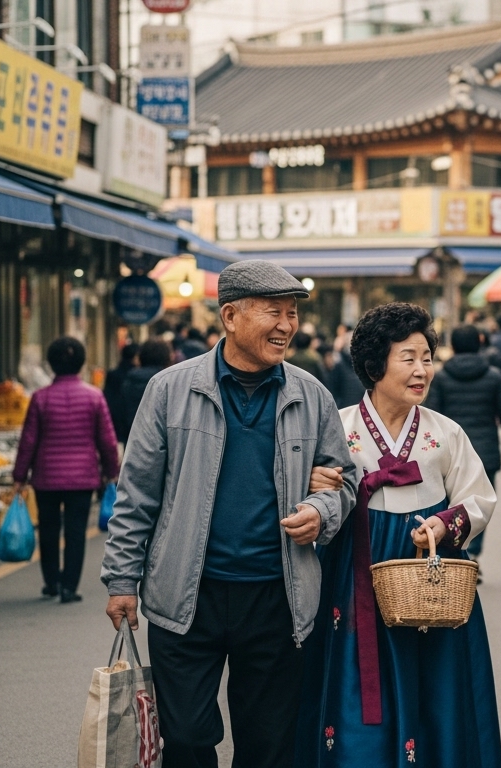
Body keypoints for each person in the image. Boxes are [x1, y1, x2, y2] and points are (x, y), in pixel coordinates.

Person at [101, 260, 354, 768]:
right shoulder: (170, 390)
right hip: (186, 595)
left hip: (276, 595)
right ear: (231, 315)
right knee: (189, 737)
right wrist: (121, 580)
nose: (287, 325)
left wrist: (321, 511)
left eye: (292, 313)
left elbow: (342, 480)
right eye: (273, 312)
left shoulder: (312, 395)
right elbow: (136, 495)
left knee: (267, 745)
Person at [296, 303, 501, 767]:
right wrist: (313, 485)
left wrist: (446, 524)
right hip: (353, 570)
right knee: (351, 684)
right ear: (374, 366)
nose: (422, 369)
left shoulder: (444, 433)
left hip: (428, 573)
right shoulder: (338, 428)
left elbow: (480, 499)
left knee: (434, 685)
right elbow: (307, 489)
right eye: (408, 358)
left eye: (427, 357)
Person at [13, 337, 121, 603]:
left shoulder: (40, 398)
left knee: (48, 530)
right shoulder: (94, 396)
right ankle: (69, 587)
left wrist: (19, 476)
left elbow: (28, 441)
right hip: (82, 478)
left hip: (46, 477)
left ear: (50, 364)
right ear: (81, 363)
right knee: (75, 533)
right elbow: (107, 440)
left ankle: (51, 582)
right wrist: (112, 471)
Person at [426, 325, 501, 557]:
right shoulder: (494, 376)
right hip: (485, 449)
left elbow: (431, 415)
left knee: (451, 503)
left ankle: (455, 551)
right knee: (479, 503)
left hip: (449, 453)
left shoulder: (440, 376)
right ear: (479, 343)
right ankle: (474, 553)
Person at [120, 339, 172, 432]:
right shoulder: (167, 382)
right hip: (160, 437)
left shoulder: (130, 380)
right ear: (166, 358)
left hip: (132, 435)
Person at [104, 343, 139, 442]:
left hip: (116, 418)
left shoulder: (113, 374)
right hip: (130, 418)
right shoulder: (134, 376)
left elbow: (107, 396)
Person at [322, 341, 365, 409]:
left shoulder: (339, 367)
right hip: (356, 408)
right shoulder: (361, 368)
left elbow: (332, 390)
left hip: (341, 409)